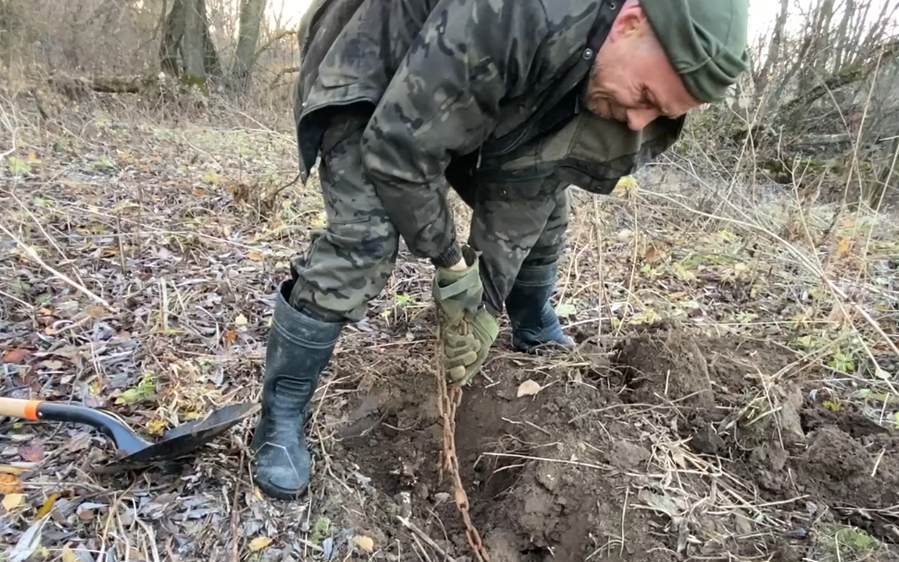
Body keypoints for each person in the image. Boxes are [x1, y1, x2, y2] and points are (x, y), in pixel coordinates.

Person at [251, 0, 750, 499]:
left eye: (660, 110)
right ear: (630, 21)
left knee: (548, 215)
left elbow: (529, 189)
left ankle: (530, 321)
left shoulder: (622, 94)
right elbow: (400, 149)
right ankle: (283, 413)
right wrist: (450, 263)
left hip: (480, 92)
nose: (640, 120)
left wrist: (482, 306)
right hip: (376, 67)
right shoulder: (518, 10)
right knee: (365, 241)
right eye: (643, 94)